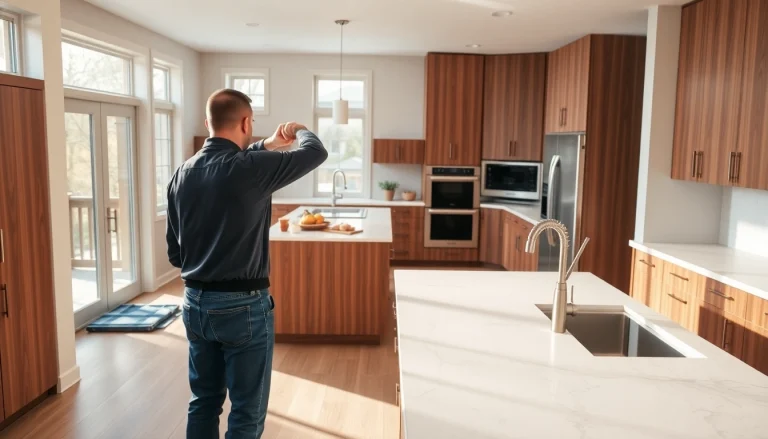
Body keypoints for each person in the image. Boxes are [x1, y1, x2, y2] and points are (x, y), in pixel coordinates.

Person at [166, 88, 328, 438]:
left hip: (194, 303)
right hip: (243, 307)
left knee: (203, 401)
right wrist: (298, 129)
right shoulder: (250, 169)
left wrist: (267, 143)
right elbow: (316, 152)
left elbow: (174, 254)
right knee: (246, 411)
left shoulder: (182, 173)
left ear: (207, 122)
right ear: (246, 121)